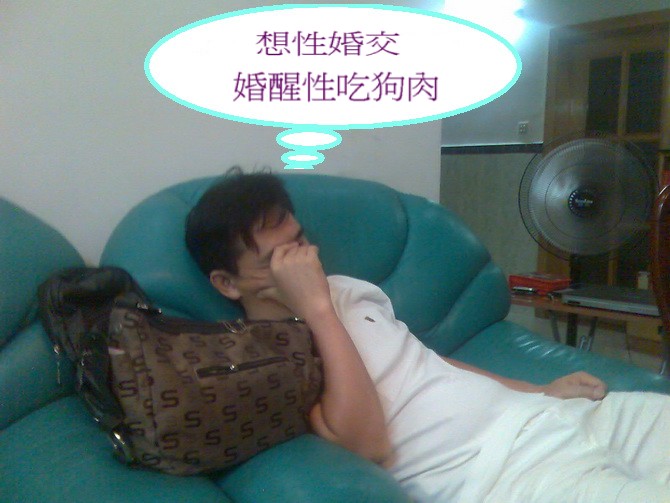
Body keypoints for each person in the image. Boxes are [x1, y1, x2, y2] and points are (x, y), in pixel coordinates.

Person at [185, 171, 670, 503]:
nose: (305, 261)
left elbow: (424, 361)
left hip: (558, 419)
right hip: (507, 471)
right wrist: (316, 309)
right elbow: (367, 445)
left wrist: (541, 389)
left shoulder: (349, 289)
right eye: (278, 259)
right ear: (227, 283)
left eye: (300, 241)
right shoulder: (265, 358)